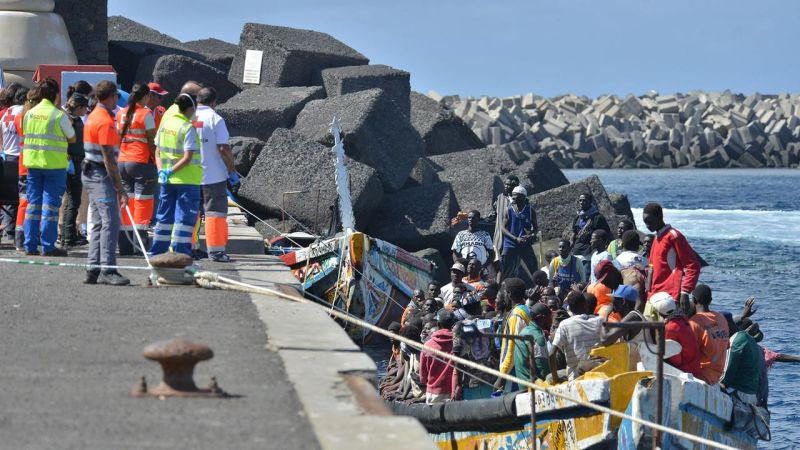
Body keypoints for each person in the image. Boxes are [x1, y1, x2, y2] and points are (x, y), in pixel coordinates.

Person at [82, 80, 130, 285]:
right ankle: (108, 269)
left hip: (91, 172)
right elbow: (109, 159)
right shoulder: (105, 121)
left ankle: (93, 268)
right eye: (116, 97)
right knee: (110, 222)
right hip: (100, 175)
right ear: (111, 96)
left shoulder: (94, 116)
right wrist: (120, 189)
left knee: (99, 222)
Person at [21, 78, 76, 256]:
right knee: (50, 208)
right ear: (57, 95)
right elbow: (72, 137)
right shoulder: (58, 115)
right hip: (53, 166)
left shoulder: (29, 113)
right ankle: (48, 246)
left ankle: (29, 245)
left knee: (33, 206)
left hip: (33, 164)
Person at [149, 93, 202, 257]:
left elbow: (157, 151)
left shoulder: (165, 125)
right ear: (191, 108)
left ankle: (157, 252)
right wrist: (172, 170)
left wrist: (161, 170)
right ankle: (180, 255)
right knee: (184, 221)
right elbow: (187, 157)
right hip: (187, 180)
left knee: (164, 218)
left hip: (166, 180)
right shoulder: (187, 127)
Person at [195, 87, 237, 262]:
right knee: (215, 214)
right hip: (213, 176)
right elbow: (223, 148)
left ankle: (190, 247)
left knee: (192, 212)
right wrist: (232, 170)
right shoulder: (216, 119)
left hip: (190, 175)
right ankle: (217, 252)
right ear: (214, 102)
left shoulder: (188, 117)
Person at [115, 83, 157, 255]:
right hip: (141, 161)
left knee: (126, 201)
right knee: (142, 202)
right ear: (145, 96)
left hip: (123, 161)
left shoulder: (121, 113)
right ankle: (139, 244)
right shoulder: (145, 114)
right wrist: (156, 161)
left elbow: (117, 137)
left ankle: (124, 244)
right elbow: (151, 141)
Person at [642, 202, 701, 317]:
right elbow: (653, 268)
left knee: (668, 333)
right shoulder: (656, 237)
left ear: (659, 217)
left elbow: (693, 265)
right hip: (653, 297)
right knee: (648, 333)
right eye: (645, 222)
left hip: (669, 298)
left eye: (649, 221)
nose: (647, 226)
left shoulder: (674, 236)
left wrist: (685, 291)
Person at [550, 291, 602, 380]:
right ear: (585, 305)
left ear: (569, 308)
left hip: (576, 377)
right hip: (599, 373)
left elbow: (551, 354)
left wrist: (555, 379)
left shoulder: (564, 325)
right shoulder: (599, 321)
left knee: (549, 377)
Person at [61, 93, 89, 248]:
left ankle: (67, 235)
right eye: (85, 108)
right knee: (74, 200)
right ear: (79, 107)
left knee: (71, 200)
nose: (85, 111)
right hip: (73, 162)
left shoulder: (69, 118)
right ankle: (69, 236)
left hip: (71, 161)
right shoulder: (73, 120)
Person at [650, 292, 702, 377]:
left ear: (658, 312)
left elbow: (676, 361)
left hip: (686, 372)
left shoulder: (670, 328)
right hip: (695, 367)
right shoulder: (682, 318)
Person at [688, 284, 730, 385]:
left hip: (701, 377)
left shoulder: (694, 322)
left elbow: (688, 354)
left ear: (694, 300)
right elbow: (727, 345)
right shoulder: (721, 318)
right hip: (717, 376)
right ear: (710, 300)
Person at [495, 277, 531, 391]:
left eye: (504, 291)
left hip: (516, 372)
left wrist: (502, 376)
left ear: (509, 294)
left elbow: (511, 348)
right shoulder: (526, 309)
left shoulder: (516, 315)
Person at [0, 84, 26, 243]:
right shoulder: (22, 112)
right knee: (20, 197)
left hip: (7, 157)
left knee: (9, 196)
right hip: (19, 157)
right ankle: (16, 232)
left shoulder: (5, 114)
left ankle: (9, 231)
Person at [500, 185, 539, 282]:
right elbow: (503, 228)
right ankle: (498, 288)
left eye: (515, 195)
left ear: (522, 197)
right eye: (512, 195)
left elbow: (535, 228)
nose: (513, 197)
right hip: (510, 244)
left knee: (533, 268)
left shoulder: (530, 210)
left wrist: (531, 235)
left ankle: (540, 288)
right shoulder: (508, 210)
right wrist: (515, 239)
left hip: (525, 244)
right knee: (503, 268)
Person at [721, 319, 764, 404]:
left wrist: (719, 383)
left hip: (739, 393)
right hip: (751, 395)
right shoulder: (753, 343)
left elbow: (727, 374)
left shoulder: (737, 340)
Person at [419, 308, 456, 404]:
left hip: (433, 393)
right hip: (454, 392)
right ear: (453, 324)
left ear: (438, 324)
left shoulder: (427, 345)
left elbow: (423, 377)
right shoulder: (457, 343)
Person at [513, 302, 552, 382]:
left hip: (522, 383)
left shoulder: (524, 331)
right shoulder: (538, 337)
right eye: (550, 317)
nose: (551, 321)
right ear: (543, 318)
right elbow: (543, 370)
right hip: (533, 386)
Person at [570, 192, 611, 258]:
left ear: (590, 202)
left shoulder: (598, 217)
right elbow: (574, 233)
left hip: (590, 252)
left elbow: (606, 234)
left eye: (584, 200)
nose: (581, 202)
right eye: (580, 200)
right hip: (577, 251)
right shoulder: (578, 217)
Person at [492, 175, 519, 260]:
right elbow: (495, 211)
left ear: (516, 186)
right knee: (496, 258)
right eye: (506, 184)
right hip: (499, 235)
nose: (506, 186)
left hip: (513, 236)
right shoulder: (500, 198)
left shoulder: (520, 200)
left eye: (509, 185)